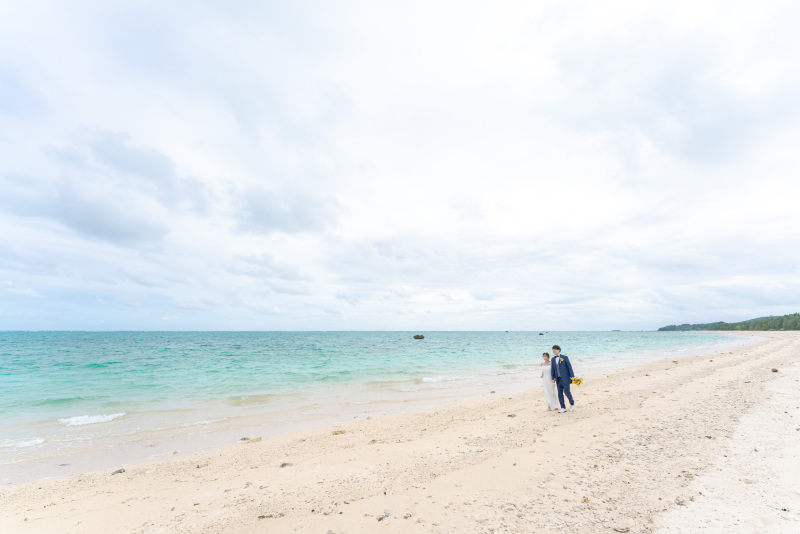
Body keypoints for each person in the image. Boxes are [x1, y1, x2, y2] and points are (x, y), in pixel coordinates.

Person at [550, 344, 575, 413]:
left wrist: (572, 376)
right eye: (553, 349)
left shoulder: (565, 357)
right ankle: (563, 407)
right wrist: (553, 377)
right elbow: (553, 369)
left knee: (567, 392)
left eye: (555, 349)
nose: (553, 350)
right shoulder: (552, 359)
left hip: (565, 378)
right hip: (558, 379)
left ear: (559, 350)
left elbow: (569, 367)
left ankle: (572, 403)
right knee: (560, 393)